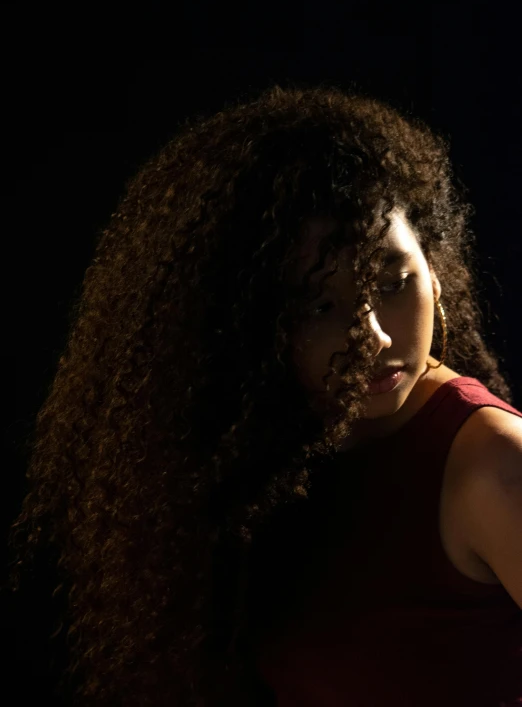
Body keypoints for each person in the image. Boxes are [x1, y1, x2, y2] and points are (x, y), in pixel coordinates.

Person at [4, 83, 522, 707]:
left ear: (434, 274)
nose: (373, 337)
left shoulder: (495, 466)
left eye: (393, 281)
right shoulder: (265, 452)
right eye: (321, 305)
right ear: (252, 322)